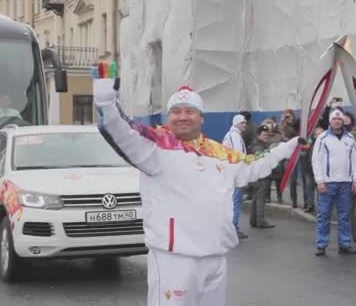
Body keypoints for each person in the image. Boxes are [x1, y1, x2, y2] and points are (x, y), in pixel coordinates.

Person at [93, 80, 301, 306]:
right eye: (176, 112)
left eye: (189, 111)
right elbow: (122, 130)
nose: (182, 116)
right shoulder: (155, 146)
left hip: (215, 255)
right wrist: (107, 103)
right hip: (175, 258)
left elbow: (253, 165)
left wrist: (287, 147)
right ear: (168, 117)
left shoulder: (219, 152)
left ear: (201, 117)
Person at [312, 109, 356, 256]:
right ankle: (321, 244)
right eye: (334, 119)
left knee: (344, 215)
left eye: (340, 119)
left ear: (343, 121)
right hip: (327, 184)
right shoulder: (322, 138)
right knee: (324, 215)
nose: (337, 121)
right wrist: (320, 180)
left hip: (345, 183)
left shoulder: (350, 138)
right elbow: (316, 160)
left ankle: (345, 244)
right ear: (330, 121)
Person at [223, 114, 249, 239]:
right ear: (237, 123)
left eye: (245, 122)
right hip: (235, 173)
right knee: (235, 201)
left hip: (232, 172)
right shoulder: (234, 136)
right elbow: (238, 155)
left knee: (233, 201)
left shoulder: (234, 135)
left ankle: (231, 227)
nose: (245, 125)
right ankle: (233, 228)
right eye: (242, 122)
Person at [248, 124, 276, 229]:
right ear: (258, 135)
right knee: (260, 198)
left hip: (256, 175)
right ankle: (260, 220)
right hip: (261, 175)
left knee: (255, 198)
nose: (266, 137)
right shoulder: (258, 147)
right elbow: (263, 159)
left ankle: (254, 220)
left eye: (267, 135)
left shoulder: (257, 145)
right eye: (264, 135)